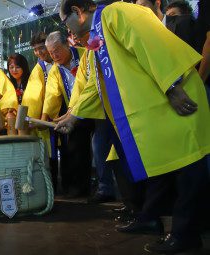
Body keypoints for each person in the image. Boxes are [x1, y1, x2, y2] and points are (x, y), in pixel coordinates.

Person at [57, 0, 210, 253]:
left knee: (188, 168)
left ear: (77, 11)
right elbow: (99, 81)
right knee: (163, 168)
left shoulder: (117, 13)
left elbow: (150, 42)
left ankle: (186, 235)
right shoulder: (98, 33)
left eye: (65, 23)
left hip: (174, 97)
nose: (68, 30)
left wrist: (172, 84)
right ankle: (150, 218)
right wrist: (74, 116)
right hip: (158, 108)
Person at [42, 31, 93, 197]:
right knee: (75, 147)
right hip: (75, 113)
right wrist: (45, 116)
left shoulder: (85, 54)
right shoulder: (55, 70)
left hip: (94, 106)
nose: (54, 55)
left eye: (57, 50)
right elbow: (51, 94)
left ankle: (103, 187)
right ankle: (77, 188)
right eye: (50, 53)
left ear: (67, 44)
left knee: (100, 149)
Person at [21, 32, 59, 191]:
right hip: (49, 116)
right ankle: (53, 188)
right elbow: (33, 96)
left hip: (64, 111)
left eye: (41, 48)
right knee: (50, 154)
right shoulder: (39, 67)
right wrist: (33, 118)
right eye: (35, 50)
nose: (39, 52)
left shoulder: (60, 61)